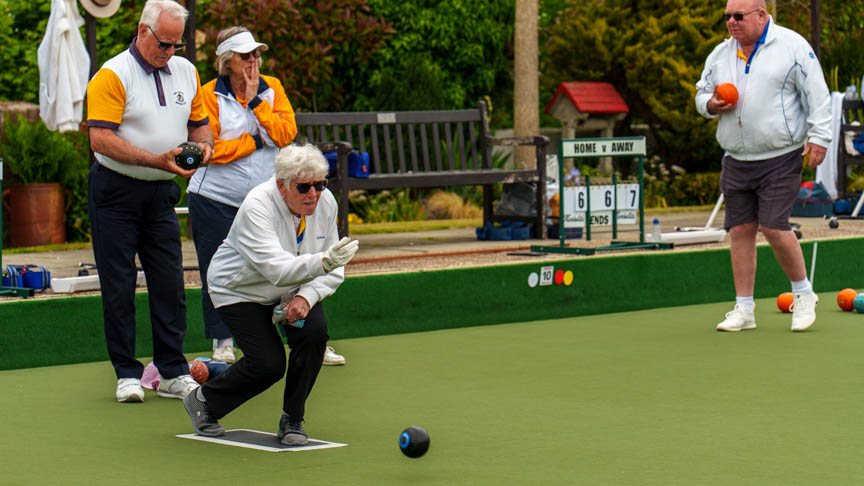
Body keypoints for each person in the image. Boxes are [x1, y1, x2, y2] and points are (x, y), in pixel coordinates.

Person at [182, 144, 359, 445]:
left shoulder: (325, 203)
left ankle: (293, 419)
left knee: (314, 332)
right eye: (304, 187)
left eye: (320, 185)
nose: (313, 194)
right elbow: (277, 269)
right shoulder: (257, 205)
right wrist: (324, 262)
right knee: (268, 364)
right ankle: (204, 401)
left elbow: (332, 268)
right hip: (239, 290)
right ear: (282, 185)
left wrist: (306, 298)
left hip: (292, 288)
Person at [86, 0, 213, 403]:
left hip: (162, 191)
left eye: (177, 45)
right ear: (142, 31)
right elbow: (100, 139)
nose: (170, 52)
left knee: (169, 280)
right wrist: (155, 159)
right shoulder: (112, 74)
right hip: (115, 190)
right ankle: (126, 372)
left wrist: (203, 150)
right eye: (163, 43)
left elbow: (201, 127)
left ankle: (173, 370)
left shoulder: (187, 71)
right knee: (119, 283)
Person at [695, 0, 831, 332]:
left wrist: (820, 137)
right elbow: (701, 94)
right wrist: (710, 104)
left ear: (760, 14)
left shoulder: (791, 46)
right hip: (736, 158)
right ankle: (744, 309)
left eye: (738, 16)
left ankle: (803, 294)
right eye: (727, 16)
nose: (731, 22)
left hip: (781, 155)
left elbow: (817, 94)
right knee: (740, 231)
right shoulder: (720, 54)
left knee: (773, 227)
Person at [187, 26, 297, 364]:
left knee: (282, 265)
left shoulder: (272, 88)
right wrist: (253, 141)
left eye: (257, 55)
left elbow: (285, 134)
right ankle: (223, 341)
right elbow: (211, 149)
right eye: (246, 56)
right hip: (214, 199)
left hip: (265, 200)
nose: (254, 61)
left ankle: (298, 337)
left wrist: (258, 104)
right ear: (227, 62)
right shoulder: (207, 94)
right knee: (217, 269)